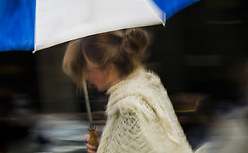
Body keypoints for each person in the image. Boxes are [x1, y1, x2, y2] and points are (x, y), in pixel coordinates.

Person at [62, 28, 194, 153]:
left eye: (88, 70)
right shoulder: (146, 89)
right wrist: (104, 146)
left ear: (109, 67)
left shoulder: (128, 109)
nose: (85, 77)